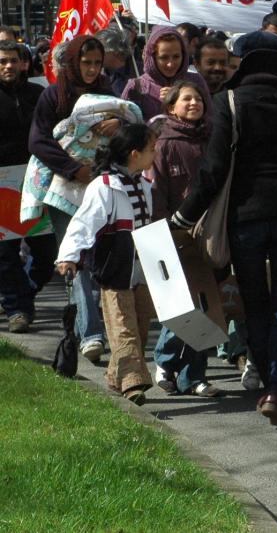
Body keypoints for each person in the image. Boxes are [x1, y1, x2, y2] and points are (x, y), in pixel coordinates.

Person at [171, 35, 277, 430]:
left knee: (256, 304)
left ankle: (268, 383)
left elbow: (213, 170)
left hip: (246, 218)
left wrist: (183, 217)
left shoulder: (230, 101)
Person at [27, 35, 134, 364]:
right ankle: (91, 334)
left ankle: (103, 330)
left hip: (101, 190)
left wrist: (121, 123)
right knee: (75, 258)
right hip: (66, 190)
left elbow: (131, 127)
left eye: (96, 63)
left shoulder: (107, 95)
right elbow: (39, 140)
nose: (91, 69)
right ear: (73, 62)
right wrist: (74, 169)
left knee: (102, 257)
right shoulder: (52, 95)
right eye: (85, 62)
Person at [55, 122, 158, 405]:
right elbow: (83, 223)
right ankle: (132, 384)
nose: (155, 154)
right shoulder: (104, 187)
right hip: (115, 270)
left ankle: (116, 375)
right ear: (134, 154)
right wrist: (68, 255)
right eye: (152, 149)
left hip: (141, 269)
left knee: (140, 324)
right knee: (123, 327)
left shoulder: (143, 184)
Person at [148, 80, 222, 398]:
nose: (194, 104)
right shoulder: (163, 143)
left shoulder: (214, 138)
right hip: (175, 232)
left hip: (211, 232)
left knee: (204, 303)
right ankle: (167, 361)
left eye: (198, 99)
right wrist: (163, 229)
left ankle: (194, 376)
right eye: (186, 99)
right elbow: (158, 190)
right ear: (171, 106)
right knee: (183, 304)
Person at [0, 40, 55, 333]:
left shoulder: (38, 94)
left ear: (24, 63)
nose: (8, 66)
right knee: (6, 255)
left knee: (46, 254)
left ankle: (25, 294)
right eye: (2, 61)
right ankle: (16, 309)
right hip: (1, 188)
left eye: (13, 60)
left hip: (36, 183)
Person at [122, 26, 212, 122]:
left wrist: (180, 98)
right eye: (164, 57)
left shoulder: (196, 81)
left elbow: (210, 120)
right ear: (153, 57)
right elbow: (125, 125)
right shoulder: (136, 87)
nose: (170, 64)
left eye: (176, 57)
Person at [96, 28, 134, 96]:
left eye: (101, 51)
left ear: (115, 52)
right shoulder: (97, 76)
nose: (96, 55)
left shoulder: (139, 72)